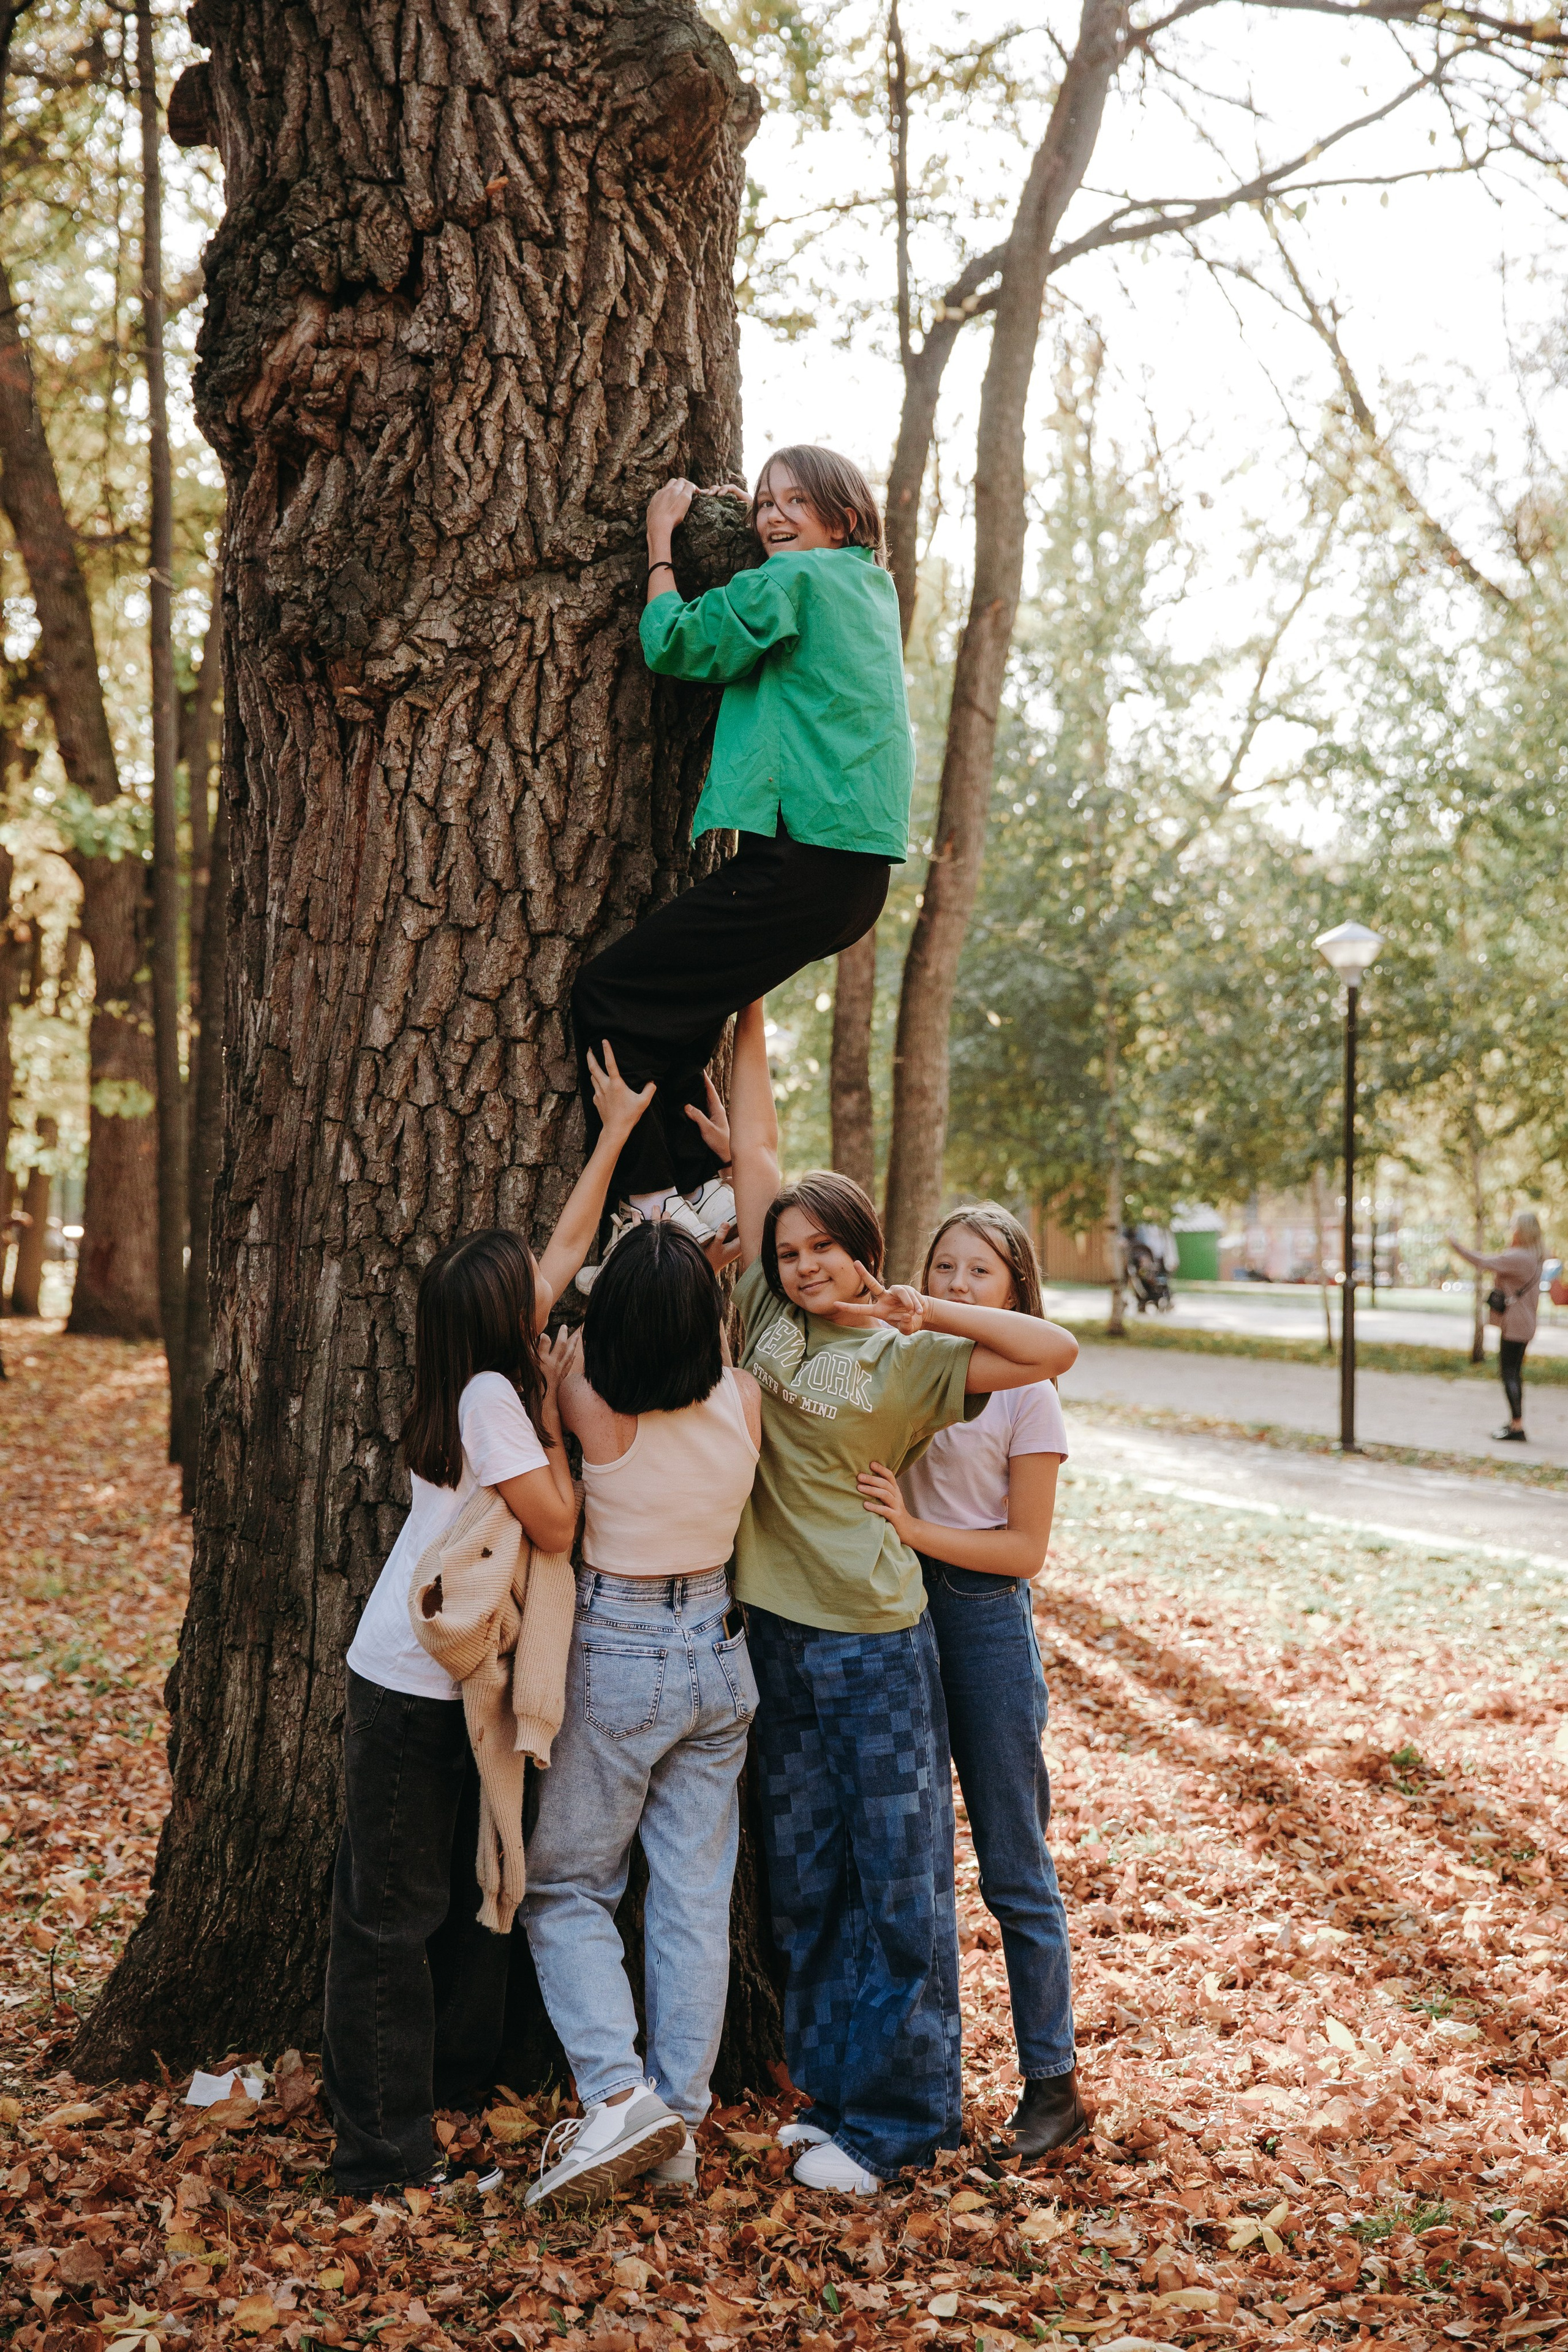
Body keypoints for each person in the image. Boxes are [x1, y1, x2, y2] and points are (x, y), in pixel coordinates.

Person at [720, 1000, 1079, 2194]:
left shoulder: (917, 1358)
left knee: (900, 1882)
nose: (804, 1262)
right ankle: (831, 2097)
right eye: (789, 1249)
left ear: (864, 1247)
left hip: (879, 1643)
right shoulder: (765, 1315)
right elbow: (759, 1159)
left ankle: (905, 2120)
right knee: (811, 1875)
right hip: (774, 1636)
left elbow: (1051, 1354)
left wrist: (928, 1305)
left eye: (827, 1246)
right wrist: (755, 1001)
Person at [322, 1047, 655, 2201]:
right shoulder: (496, 1405)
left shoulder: (478, 1368)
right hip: (416, 1686)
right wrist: (562, 1426)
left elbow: (559, 1252)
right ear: (504, 1318)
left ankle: (436, 2101)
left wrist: (613, 1135)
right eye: (529, 1290)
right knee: (390, 1920)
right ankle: (378, 2154)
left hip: (424, 1674)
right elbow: (557, 1527)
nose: (547, 1287)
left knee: (437, 1902)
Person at [570, 447, 912, 1274]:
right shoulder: (867, 586)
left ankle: (648, 1208)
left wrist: (661, 543)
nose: (773, 516)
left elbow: (680, 643)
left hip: (803, 864)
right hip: (852, 880)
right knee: (682, 1017)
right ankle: (705, 1189)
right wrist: (753, 531)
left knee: (608, 992)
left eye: (797, 502)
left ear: (847, 514)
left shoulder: (793, 583)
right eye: (764, 503)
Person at [520, 1222, 763, 2207]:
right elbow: (709, 1336)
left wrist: (551, 1377)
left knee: (569, 1887)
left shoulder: (589, 1403)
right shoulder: (743, 1397)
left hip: (620, 1647)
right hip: (718, 1644)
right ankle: (683, 2124)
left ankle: (620, 2095)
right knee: (694, 1897)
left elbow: (559, 1334)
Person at [856, 1205, 1084, 2164]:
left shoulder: (1028, 1393)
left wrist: (915, 1531)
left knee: (1012, 1864)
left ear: (1013, 1291)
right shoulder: (903, 1361)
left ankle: (1052, 2083)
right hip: (894, 1609)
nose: (954, 1285)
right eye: (942, 1266)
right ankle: (905, 2079)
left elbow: (1024, 1549)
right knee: (904, 1860)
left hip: (984, 1616)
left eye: (977, 1273)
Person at [1447, 1212, 1548, 1442]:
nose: (1511, 1231)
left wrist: (1456, 1246)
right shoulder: (1535, 1256)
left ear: (1521, 1231)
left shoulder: (1519, 1257)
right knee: (1515, 1373)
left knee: (1509, 1373)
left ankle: (1517, 1427)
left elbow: (1483, 1262)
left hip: (1515, 1324)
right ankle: (1516, 1423)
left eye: (1514, 1227)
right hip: (1526, 1322)